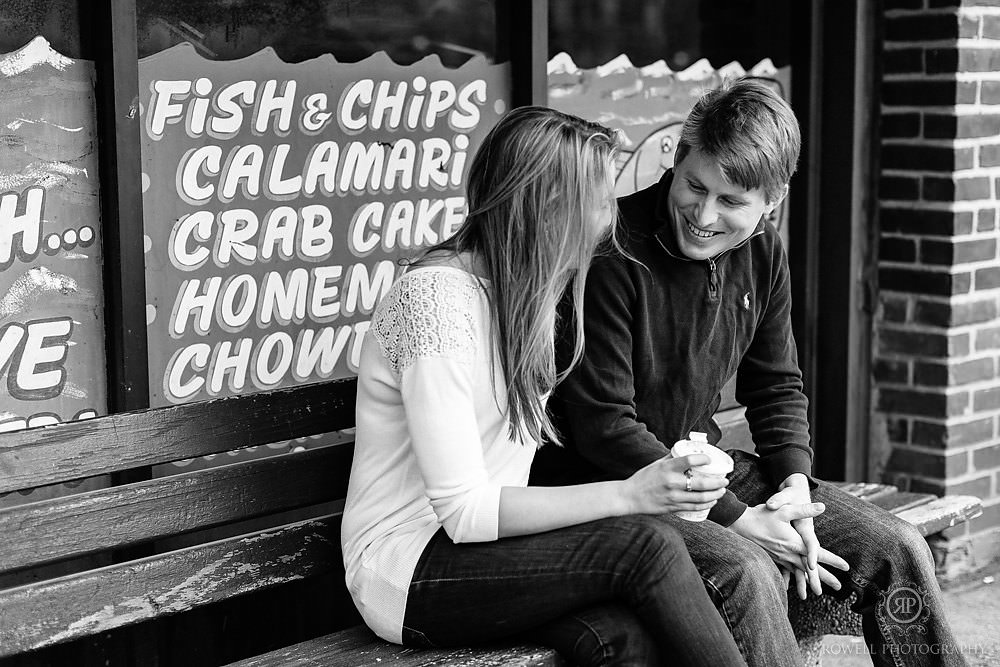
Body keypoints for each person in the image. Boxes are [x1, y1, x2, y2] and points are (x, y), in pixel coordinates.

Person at [533, 77, 967, 667]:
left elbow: (775, 384)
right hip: (616, 493)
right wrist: (742, 521)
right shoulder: (611, 253)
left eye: (732, 201)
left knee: (896, 548)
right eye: (694, 185)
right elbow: (605, 427)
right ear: (679, 157)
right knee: (752, 571)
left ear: (773, 199)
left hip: (708, 474)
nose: (704, 215)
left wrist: (794, 491)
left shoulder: (764, 250)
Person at [341, 106, 748, 666]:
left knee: (623, 640)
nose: (612, 221)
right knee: (646, 545)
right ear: (549, 209)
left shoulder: (529, 297)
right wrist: (633, 495)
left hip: (490, 555)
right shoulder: (434, 302)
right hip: (408, 569)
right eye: (602, 203)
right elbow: (463, 512)